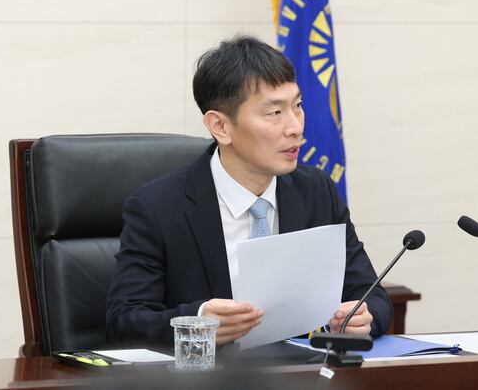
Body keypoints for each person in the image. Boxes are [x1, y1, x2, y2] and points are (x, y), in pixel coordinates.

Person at [106, 36, 393, 348]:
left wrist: (364, 317)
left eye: (297, 106)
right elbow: (124, 321)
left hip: (303, 370)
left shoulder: (315, 191)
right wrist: (199, 321)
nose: (296, 127)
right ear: (221, 126)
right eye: (275, 113)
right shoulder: (158, 207)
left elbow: (371, 294)